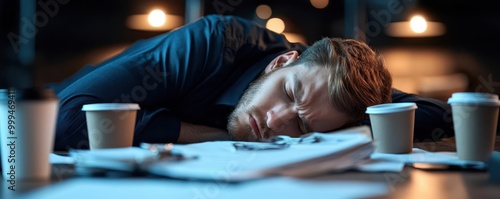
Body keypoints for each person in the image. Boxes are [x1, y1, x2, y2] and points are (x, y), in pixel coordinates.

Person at [50, 14, 454, 151]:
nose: (277, 123)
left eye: (304, 127)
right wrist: (220, 137)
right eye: (290, 93)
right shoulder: (211, 42)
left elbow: (439, 114)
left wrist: (349, 130)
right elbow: (67, 120)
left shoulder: (336, 94)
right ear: (280, 62)